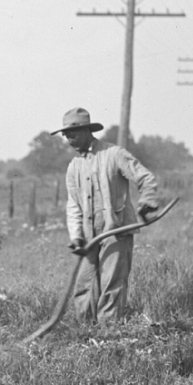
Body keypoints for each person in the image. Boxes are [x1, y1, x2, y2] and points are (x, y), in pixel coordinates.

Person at [54, 107, 159, 323]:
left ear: (86, 131)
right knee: (83, 288)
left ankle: (109, 337)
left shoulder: (114, 154)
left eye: (72, 134)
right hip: (89, 238)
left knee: (112, 287)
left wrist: (147, 201)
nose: (69, 139)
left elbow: (145, 178)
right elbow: (73, 204)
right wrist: (76, 236)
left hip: (116, 231)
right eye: (66, 135)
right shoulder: (74, 167)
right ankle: (86, 335)